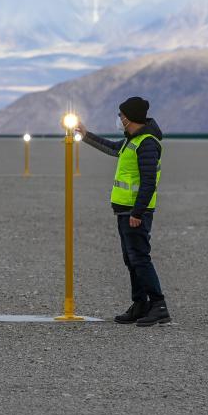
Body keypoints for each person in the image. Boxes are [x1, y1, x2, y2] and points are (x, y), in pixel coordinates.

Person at [76, 97, 171, 327]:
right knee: (131, 259)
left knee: (140, 258)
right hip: (124, 211)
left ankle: (158, 305)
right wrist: (86, 135)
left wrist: (137, 213)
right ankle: (140, 304)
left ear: (129, 117)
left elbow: (148, 182)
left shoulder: (147, 143)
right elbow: (111, 147)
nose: (119, 119)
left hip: (135, 212)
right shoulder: (132, 141)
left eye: (121, 115)